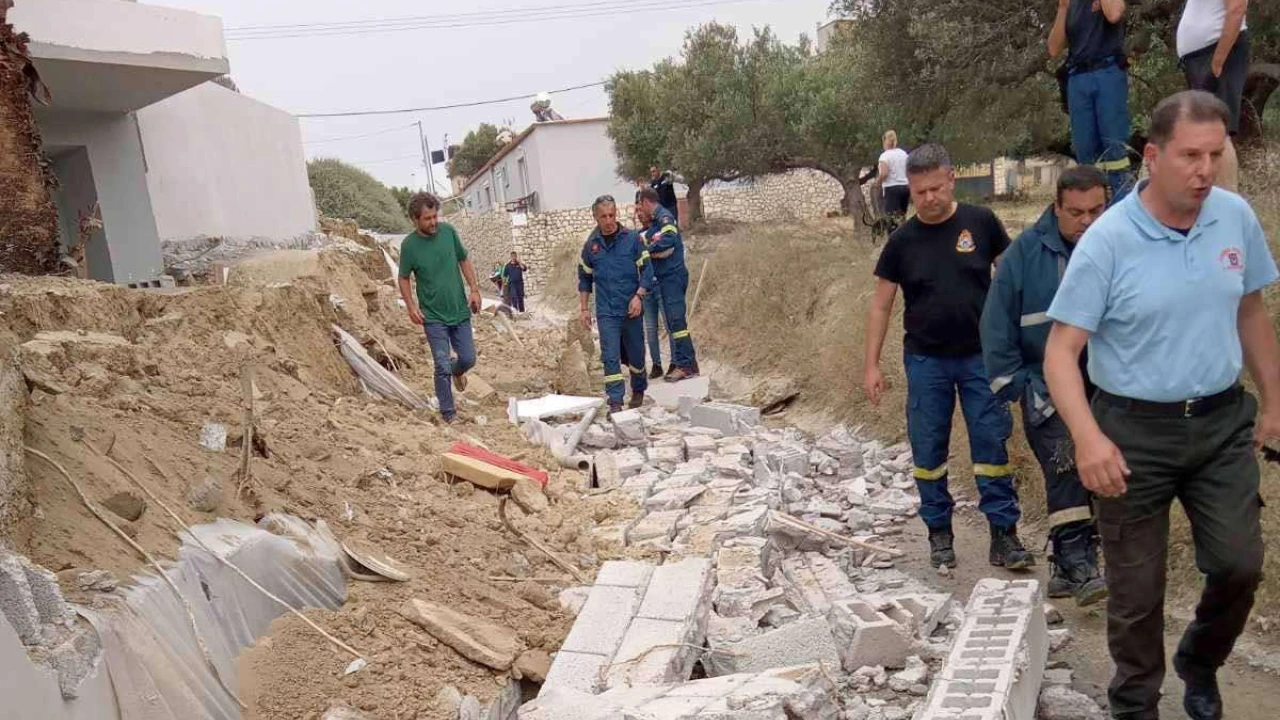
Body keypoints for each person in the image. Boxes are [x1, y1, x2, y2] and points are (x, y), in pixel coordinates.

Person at [1043, 91, 1280, 720]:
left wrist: (1274, 402)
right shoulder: (1109, 241)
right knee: (1137, 594)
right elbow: (1061, 353)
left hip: (1220, 423)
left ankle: (1200, 661)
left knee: (1239, 564)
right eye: (1189, 156)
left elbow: (1251, 311)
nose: (1205, 169)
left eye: (1214, 153)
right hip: (1131, 434)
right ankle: (1135, 706)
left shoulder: (1234, 218)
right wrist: (1089, 440)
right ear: (1152, 157)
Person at [863, 143, 1033, 572]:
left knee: (992, 444)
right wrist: (871, 366)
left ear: (951, 179)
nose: (929, 199)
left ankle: (1004, 536)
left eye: (936, 189)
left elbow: (1014, 279)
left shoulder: (982, 223)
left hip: (982, 359)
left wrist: (1020, 340)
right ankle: (939, 535)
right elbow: (881, 305)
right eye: (920, 193)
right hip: (926, 363)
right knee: (928, 451)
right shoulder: (901, 242)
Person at [980, 166, 1111, 607]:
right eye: (1076, 212)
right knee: (1065, 466)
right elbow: (996, 326)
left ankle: (1065, 561)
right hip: (1043, 385)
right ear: (1056, 208)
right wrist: (1017, 387)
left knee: (1104, 472)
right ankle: (1079, 562)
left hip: (1110, 387)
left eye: (1097, 210)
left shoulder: (1119, 247)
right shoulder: (1024, 256)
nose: (1087, 221)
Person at [397, 192, 483, 424]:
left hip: (459, 310)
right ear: (415, 219)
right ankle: (449, 412)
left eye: (435, 216)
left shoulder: (449, 233)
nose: (433, 222)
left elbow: (464, 260)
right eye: (427, 218)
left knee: (468, 359)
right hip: (433, 316)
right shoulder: (409, 246)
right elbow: (403, 278)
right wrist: (411, 306)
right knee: (441, 364)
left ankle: (458, 371)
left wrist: (474, 289)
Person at [578, 195, 656, 413]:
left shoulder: (632, 240)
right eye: (603, 216)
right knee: (610, 356)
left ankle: (638, 389)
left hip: (631, 308)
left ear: (616, 214)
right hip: (606, 312)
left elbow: (647, 271)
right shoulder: (591, 246)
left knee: (636, 355)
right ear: (595, 217)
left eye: (612, 215)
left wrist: (639, 296)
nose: (609, 220)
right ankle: (615, 401)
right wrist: (584, 309)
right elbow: (584, 278)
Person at [1049, 0, 1134, 199]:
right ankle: (1091, 208)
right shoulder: (1071, 5)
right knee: (1085, 152)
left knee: (1114, 148)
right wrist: (1062, 9)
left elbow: (1114, 14)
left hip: (1108, 73)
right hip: (1078, 78)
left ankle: (1122, 205)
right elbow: (1053, 49)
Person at [1177, 0, 1248, 192]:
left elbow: (1237, 7)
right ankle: (1212, 196)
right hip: (1202, 55)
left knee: (1218, 128)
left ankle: (1227, 201)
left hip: (1218, 51)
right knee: (1206, 128)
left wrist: (1217, 62)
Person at [637, 187, 699, 383]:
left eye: (640, 205)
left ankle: (686, 365)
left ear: (647, 202)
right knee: (674, 324)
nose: (640, 209)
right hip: (664, 279)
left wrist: (648, 250)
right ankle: (687, 364)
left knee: (677, 323)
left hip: (673, 277)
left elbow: (669, 241)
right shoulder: (656, 223)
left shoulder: (665, 218)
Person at [876, 129, 911, 229]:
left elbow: (884, 173)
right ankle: (905, 239)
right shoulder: (903, 154)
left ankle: (894, 240)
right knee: (902, 216)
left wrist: (877, 183)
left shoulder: (884, 156)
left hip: (892, 189)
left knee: (892, 219)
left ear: (884, 141)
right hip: (905, 187)